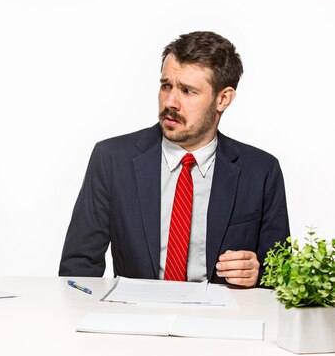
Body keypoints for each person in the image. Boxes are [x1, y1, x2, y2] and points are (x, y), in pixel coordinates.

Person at [59, 31, 290, 287]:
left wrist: (258, 274)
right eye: (166, 86)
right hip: (135, 317)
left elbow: (281, 276)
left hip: (222, 321)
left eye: (188, 91)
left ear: (223, 99)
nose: (170, 102)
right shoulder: (112, 159)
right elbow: (78, 267)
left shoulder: (260, 171)